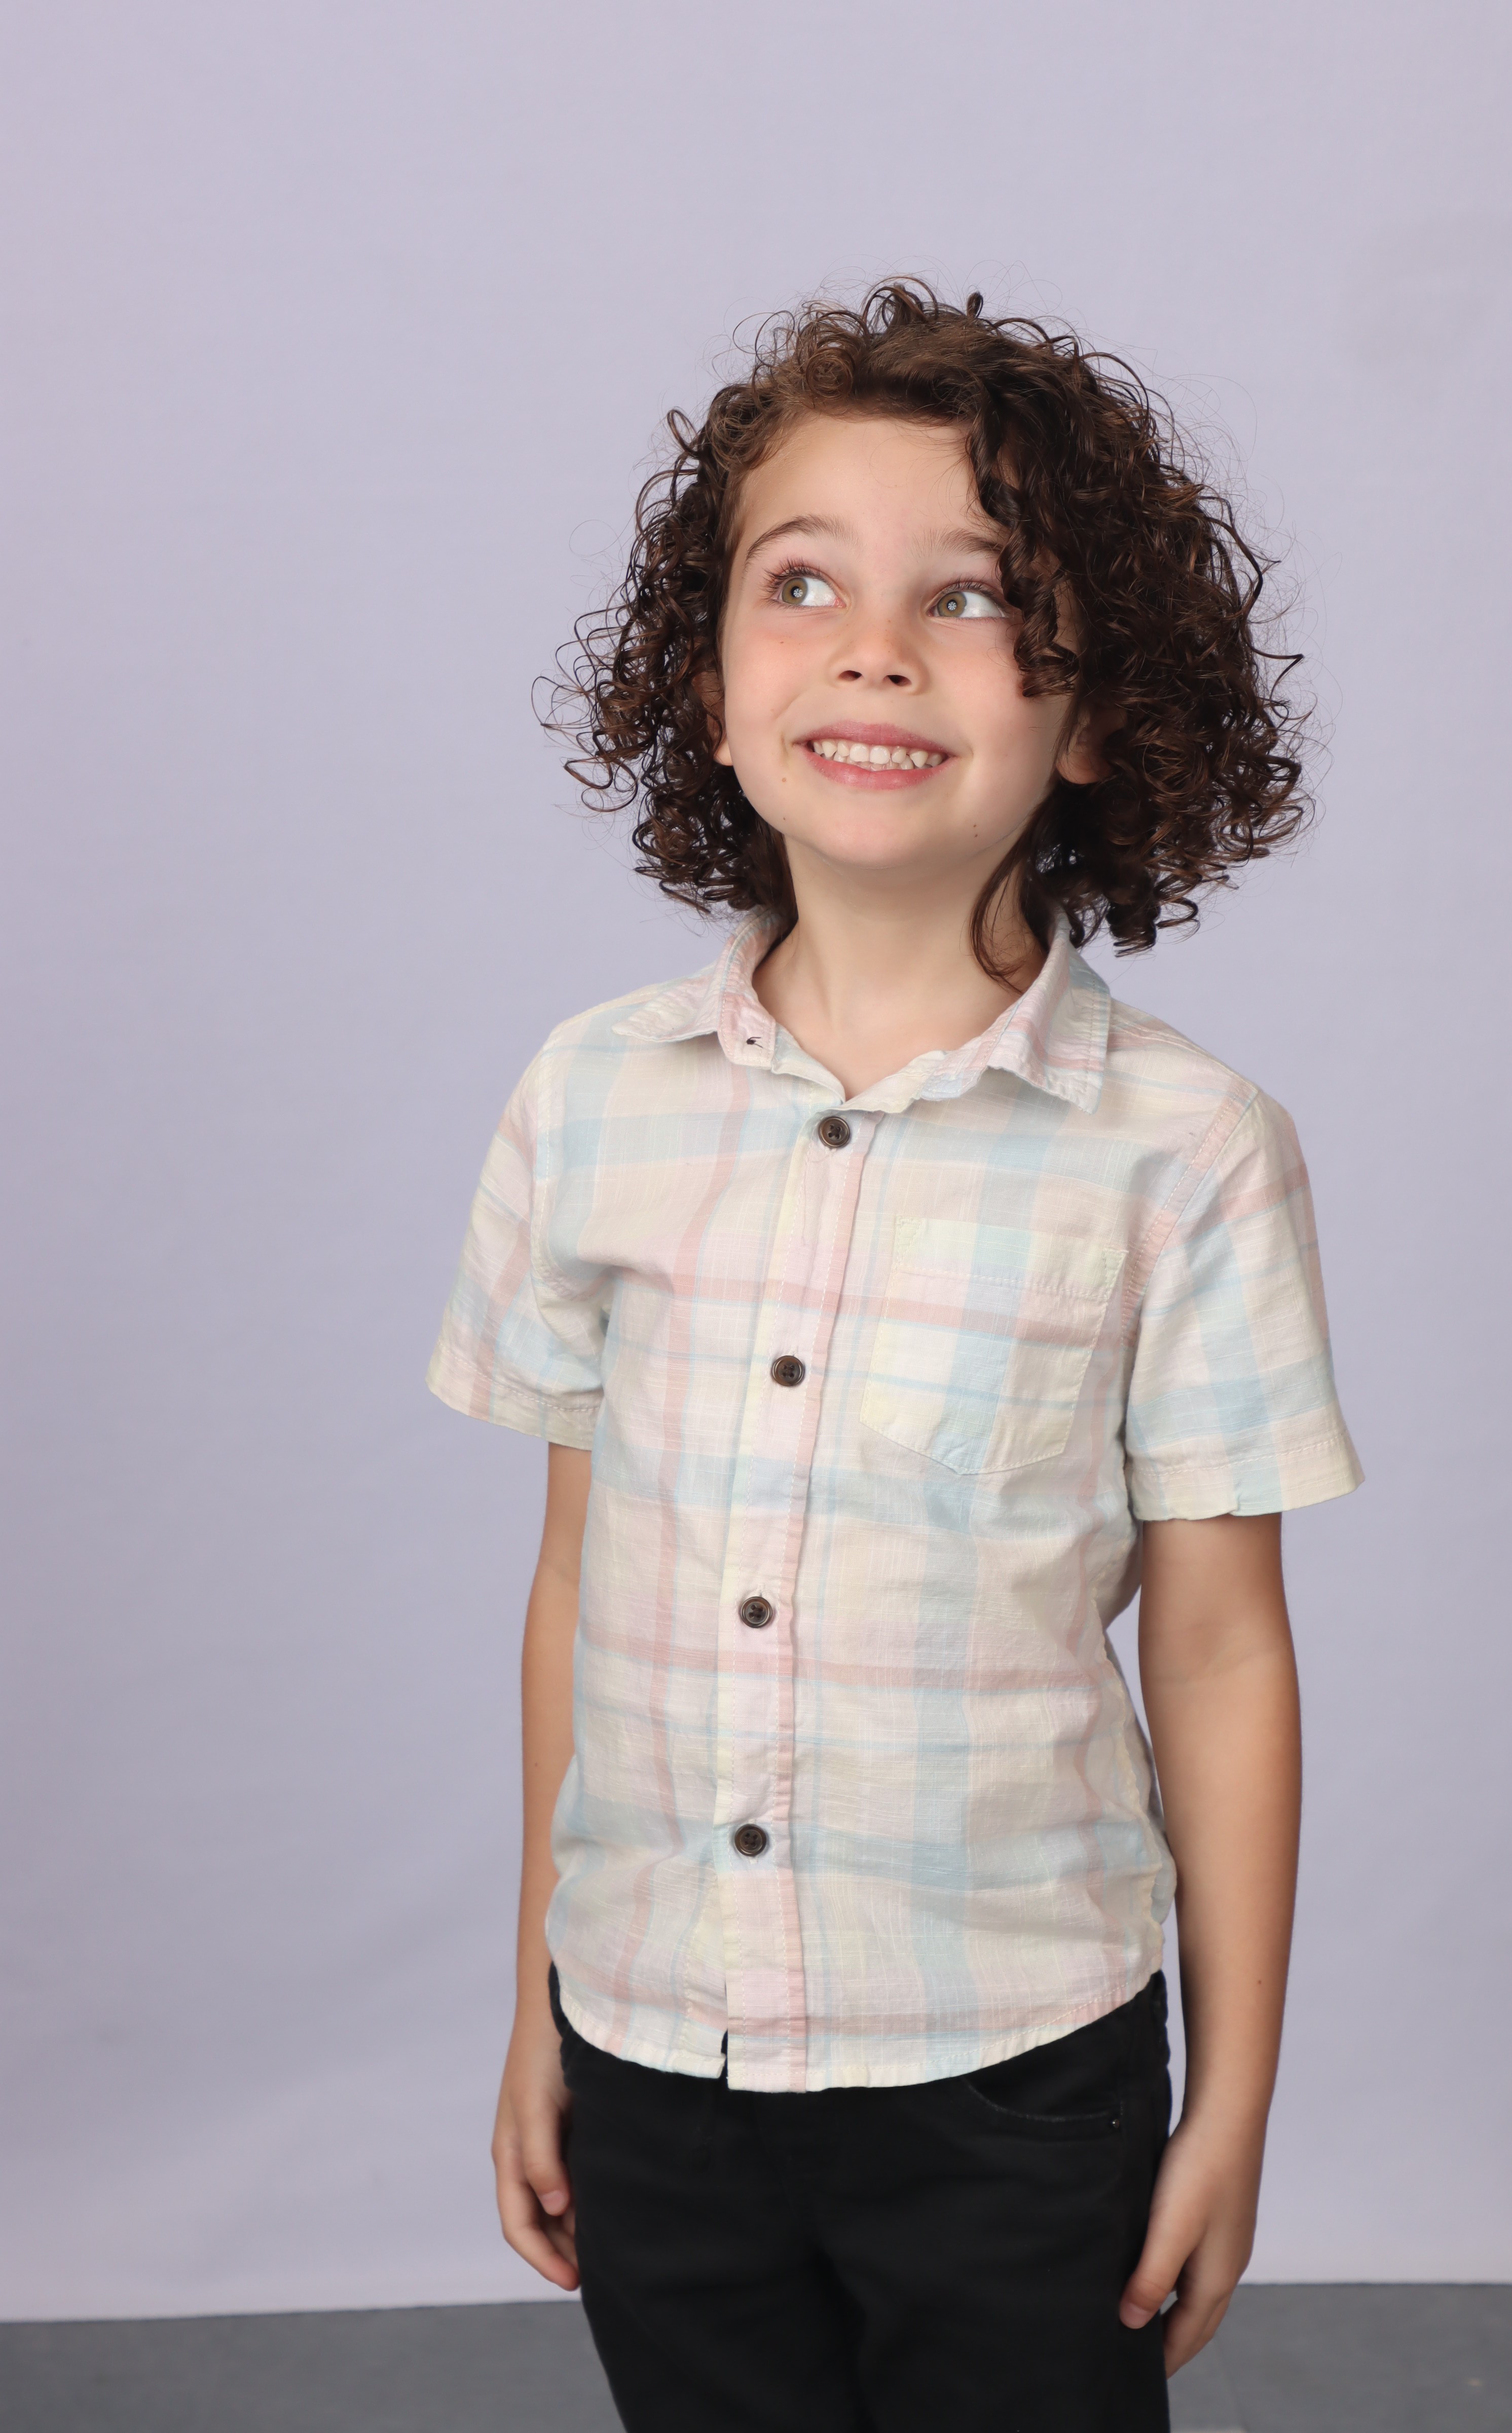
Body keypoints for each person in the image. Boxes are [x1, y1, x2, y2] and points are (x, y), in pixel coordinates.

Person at [428, 282, 1361, 2432]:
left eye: (971, 596)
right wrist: (539, 2007)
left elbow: (1222, 1649)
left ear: (1097, 716)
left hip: (1013, 2078)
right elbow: (576, 1584)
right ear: (709, 690)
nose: (874, 649)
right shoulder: (587, 1101)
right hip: (656, 2052)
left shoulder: (1187, 1152)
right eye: (801, 585)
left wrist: (1228, 2103)